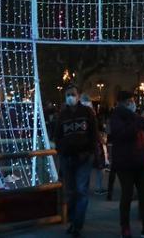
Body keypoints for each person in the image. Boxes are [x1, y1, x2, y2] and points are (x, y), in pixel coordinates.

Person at [108, 90, 144, 237]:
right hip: (125, 162)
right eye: (131, 101)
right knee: (127, 195)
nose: (133, 104)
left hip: (141, 159)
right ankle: (125, 227)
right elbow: (121, 134)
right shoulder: (116, 116)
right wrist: (139, 122)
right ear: (125, 102)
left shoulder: (134, 116)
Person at [53, 85, 99, 236]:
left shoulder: (87, 112)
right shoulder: (62, 115)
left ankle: (77, 224)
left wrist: (90, 151)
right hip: (67, 157)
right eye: (68, 95)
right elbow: (57, 136)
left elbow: (94, 133)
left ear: (78, 96)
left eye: (72, 94)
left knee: (81, 190)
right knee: (71, 191)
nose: (70, 97)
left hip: (84, 157)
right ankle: (73, 220)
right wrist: (62, 151)